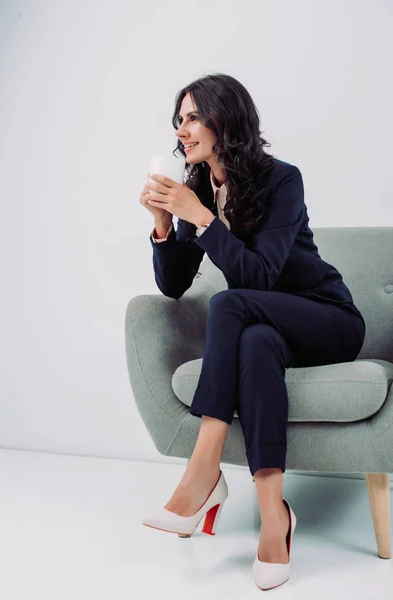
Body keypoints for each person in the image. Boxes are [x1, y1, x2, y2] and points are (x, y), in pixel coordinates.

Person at [139, 73, 366, 590]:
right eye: (179, 120)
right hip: (270, 328)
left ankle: (204, 471)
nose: (183, 129)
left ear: (226, 119)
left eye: (194, 116)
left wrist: (203, 221)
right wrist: (161, 223)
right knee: (256, 340)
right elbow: (173, 285)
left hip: (327, 318)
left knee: (232, 302)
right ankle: (273, 518)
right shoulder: (198, 189)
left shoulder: (281, 179)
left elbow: (260, 275)